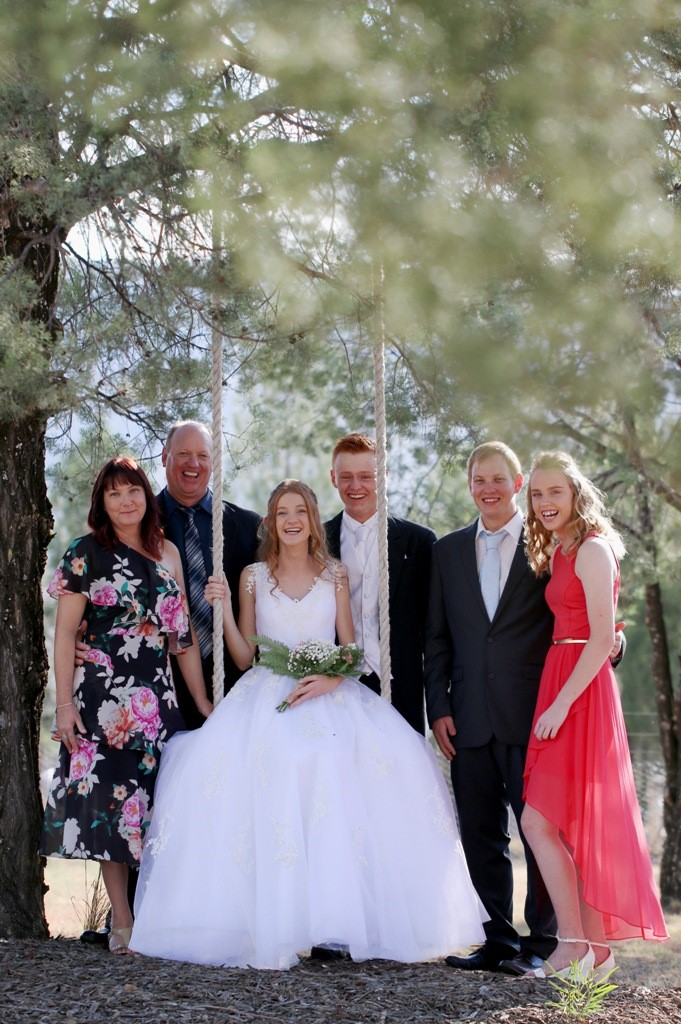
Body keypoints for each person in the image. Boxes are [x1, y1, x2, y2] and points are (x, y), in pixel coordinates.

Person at [129, 480, 487, 969]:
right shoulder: (252, 576)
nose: (292, 520)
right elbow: (244, 656)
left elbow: (351, 648)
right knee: (268, 769)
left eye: (300, 511)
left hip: (327, 692)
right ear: (271, 523)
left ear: (314, 519)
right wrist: (224, 611)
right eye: (282, 512)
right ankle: (274, 918)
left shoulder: (334, 573)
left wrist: (331, 678)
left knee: (338, 767)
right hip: (267, 692)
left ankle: (333, 922)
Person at [424, 442, 624, 976]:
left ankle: (544, 941)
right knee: (480, 833)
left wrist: (613, 644)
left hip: (536, 711)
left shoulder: (549, 547)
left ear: (516, 485)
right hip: (467, 715)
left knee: (541, 830)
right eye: (478, 479)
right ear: (470, 485)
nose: (488, 489)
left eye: (500, 479)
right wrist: (438, 705)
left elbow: (585, 616)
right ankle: (496, 940)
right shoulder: (447, 551)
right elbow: (437, 638)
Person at [41, 457, 212, 954]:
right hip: (101, 702)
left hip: (156, 700)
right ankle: (122, 917)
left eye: (132, 490)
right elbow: (65, 632)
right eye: (113, 493)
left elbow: (182, 638)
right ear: (102, 502)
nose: (125, 501)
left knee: (158, 807)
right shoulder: (85, 553)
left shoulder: (168, 552)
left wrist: (202, 701)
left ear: (145, 495)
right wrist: (64, 705)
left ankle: (161, 913)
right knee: (110, 810)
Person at [519, 451, 667, 978]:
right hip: (561, 676)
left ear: (576, 493)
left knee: (537, 821)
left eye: (554, 491)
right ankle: (594, 950)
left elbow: (603, 638)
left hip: (580, 691)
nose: (545, 502)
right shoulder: (560, 550)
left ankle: (572, 945)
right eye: (537, 494)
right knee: (559, 824)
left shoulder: (592, 549)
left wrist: (561, 703)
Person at [325, 432, 435, 734]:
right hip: (335, 689)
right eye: (346, 477)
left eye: (366, 476)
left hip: (401, 688)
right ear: (333, 478)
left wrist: (438, 703)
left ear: (384, 475)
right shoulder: (317, 542)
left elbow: (434, 631)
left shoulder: (419, 542)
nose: (356, 486)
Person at [156, 420, 261, 728]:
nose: (193, 464)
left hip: (234, 687)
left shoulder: (249, 527)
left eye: (202, 455)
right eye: (183, 454)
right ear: (164, 457)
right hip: (158, 686)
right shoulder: (138, 523)